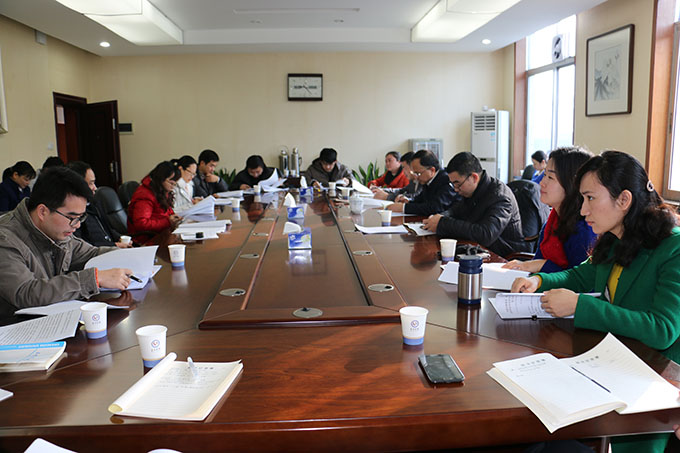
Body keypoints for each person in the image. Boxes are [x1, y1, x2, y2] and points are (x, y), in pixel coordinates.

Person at [511, 151, 680, 453]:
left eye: (590, 198)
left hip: (653, 380)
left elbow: (662, 329)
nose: (583, 210)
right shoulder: (616, 237)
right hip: (613, 363)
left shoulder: (673, 246)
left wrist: (580, 306)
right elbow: (580, 276)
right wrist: (539, 281)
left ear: (624, 200)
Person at [0, 167, 132, 319]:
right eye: (72, 217)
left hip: (54, 318)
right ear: (42, 212)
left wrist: (132, 256)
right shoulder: (6, 239)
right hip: (17, 326)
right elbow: (25, 293)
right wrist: (94, 279)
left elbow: (91, 254)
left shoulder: (56, 231)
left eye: (81, 217)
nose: (77, 225)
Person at [504, 147, 597, 273]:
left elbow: (579, 280)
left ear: (572, 183)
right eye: (544, 175)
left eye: (551, 177)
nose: (542, 183)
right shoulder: (552, 222)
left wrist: (542, 265)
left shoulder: (585, 229)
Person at [422, 152, 529, 257]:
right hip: (477, 249)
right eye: (452, 184)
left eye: (457, 184)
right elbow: (456, 210)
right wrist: (441, 216)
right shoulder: (473, 190)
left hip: (503, 255)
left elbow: (486, 235)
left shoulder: (500, 197)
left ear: (474, 177)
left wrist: (443, 223)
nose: (455, 189)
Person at [67, 161, 131, 248]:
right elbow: (83, 246)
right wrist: (114, 245)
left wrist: (120, 238)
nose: (95, 188)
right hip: (98, 253)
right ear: (78, 184)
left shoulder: (94, 204)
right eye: (91, 183)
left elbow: (108, 230)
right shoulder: (72, 213)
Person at [386, 150, 457, 216]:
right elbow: (421, 200)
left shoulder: (446, 180)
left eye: (418, 173)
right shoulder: (427, 180)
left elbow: (435, 207)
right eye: (414, 173)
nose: (416, 177)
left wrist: (404, 207)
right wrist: (409, 202)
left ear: (432, 170)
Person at [127, 161, 183, 244]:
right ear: (160, 179)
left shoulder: (162, 191)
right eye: (171, 181)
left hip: (161, 234)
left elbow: (166, 212)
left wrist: (174, 218)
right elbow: (141, 224)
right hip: (147, 239)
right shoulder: (145, 195)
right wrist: (168, 222)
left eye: (175, 182)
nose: (173, 185)